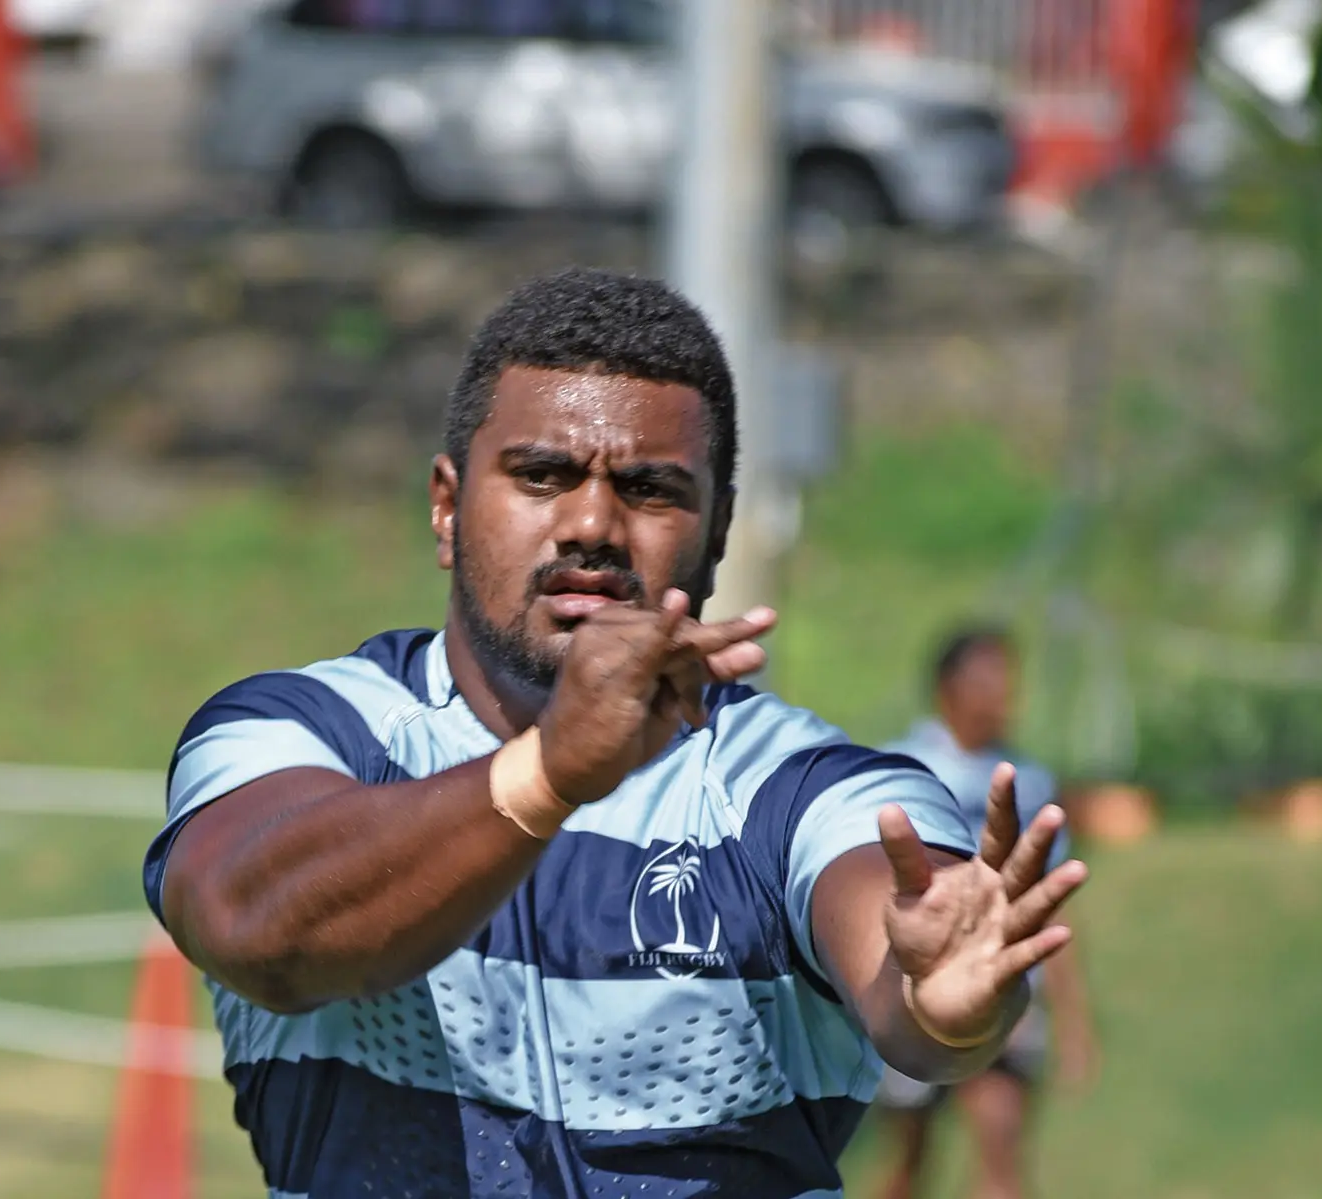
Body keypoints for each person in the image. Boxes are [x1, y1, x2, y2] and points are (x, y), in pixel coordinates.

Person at [143, 268, 1087, 1198]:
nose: (591, 521)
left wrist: (946, 1008)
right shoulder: (299, 730)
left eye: (649, 489)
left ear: (714, 538)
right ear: (445, 504)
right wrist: (550, 773)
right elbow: (256, 924)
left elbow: (901, 972)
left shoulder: (803, 787)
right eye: (541, 474)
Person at [870, 628, 1101, 1199]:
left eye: (1010, 681)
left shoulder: (1032, 780)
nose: (1006, 696)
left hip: (1008, 990)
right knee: (912, 1160)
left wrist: (1074, 1020)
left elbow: (1049, 900)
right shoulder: (898, 769)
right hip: (913, 993)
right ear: (950, 688)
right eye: (991, 680)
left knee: (1002, 1149)